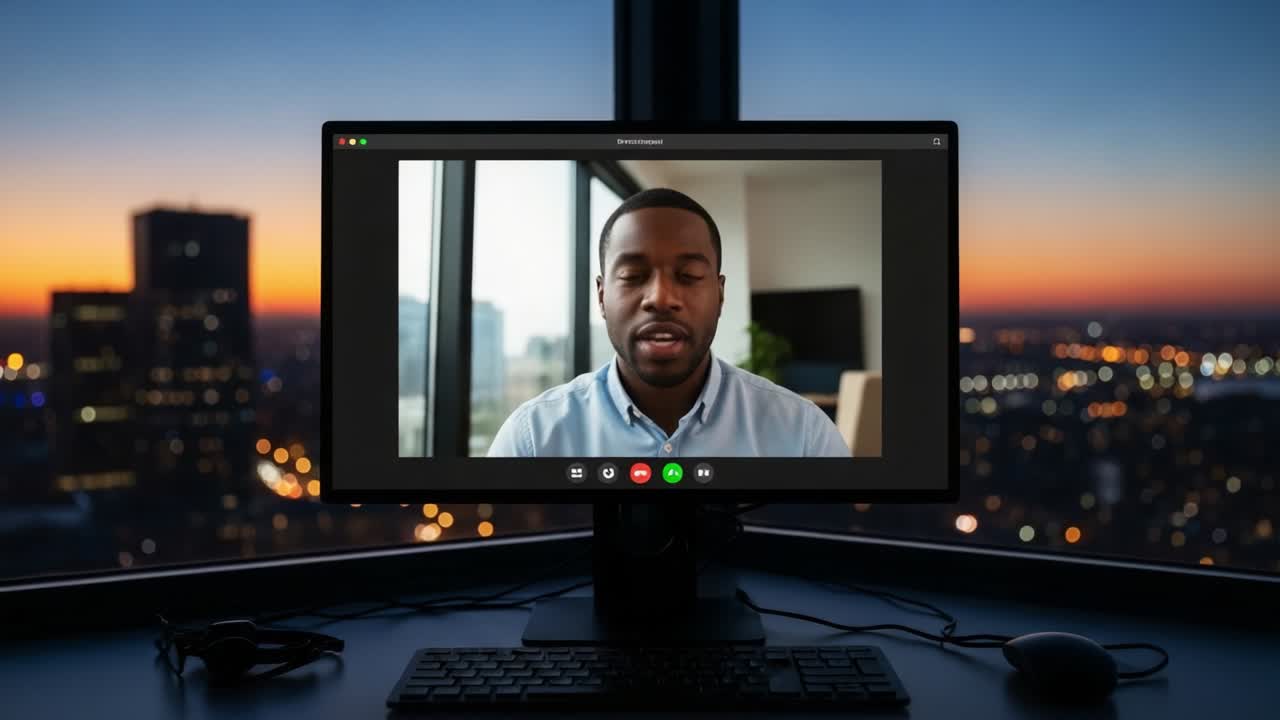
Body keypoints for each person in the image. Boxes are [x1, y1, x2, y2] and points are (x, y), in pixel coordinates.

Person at [487, 187, 850, 458]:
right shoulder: (531, 438)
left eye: (689, 275)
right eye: (632, 275)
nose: (660, 298)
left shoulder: (804, 433)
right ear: (601, 296)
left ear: (720, 294)